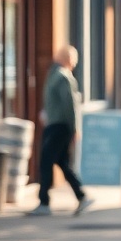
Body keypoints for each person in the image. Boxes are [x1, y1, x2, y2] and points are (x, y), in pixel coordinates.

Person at [29, 45, 92, 216]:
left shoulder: (56, 75)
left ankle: (45, 201)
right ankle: (81, 195)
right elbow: (69, 106)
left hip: (58, 126)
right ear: (69, 59)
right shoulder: (62, 76)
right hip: (60, 125)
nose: (75, 64)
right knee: (60, 162)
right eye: (74, 60)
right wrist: (74, 128)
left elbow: (69, 105)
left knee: (47, 161)